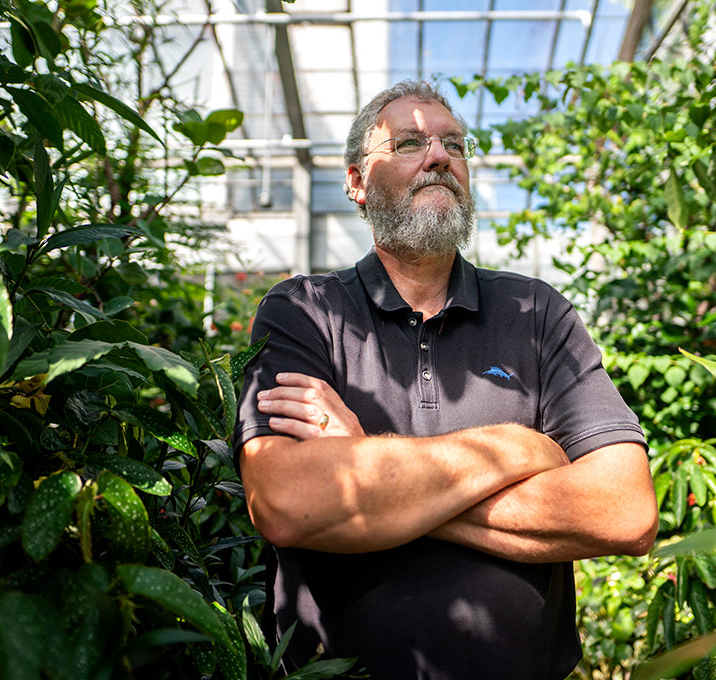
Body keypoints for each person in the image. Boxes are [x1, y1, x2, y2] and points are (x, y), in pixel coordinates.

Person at [233, 80, 657, 680]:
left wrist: (363, 470)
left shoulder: (536, 313)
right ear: (355, 181)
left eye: (453, 144)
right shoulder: (305, 311)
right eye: (409, 143)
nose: (439, 156)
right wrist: (519, 448)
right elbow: (286, 502)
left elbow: (624, 510)